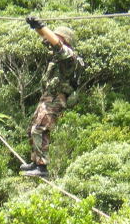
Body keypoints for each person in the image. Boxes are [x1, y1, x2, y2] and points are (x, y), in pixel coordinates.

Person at [21, 16, 82, 177]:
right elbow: (49, 39)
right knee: (32, 129)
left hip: (56, 99)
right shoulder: (57, 56)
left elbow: (56, 43)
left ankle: (42, 166)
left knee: (40, 129)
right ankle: (35, 161)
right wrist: (36, 27)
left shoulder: (69, 56)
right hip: (48, 97)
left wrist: (42, 25)